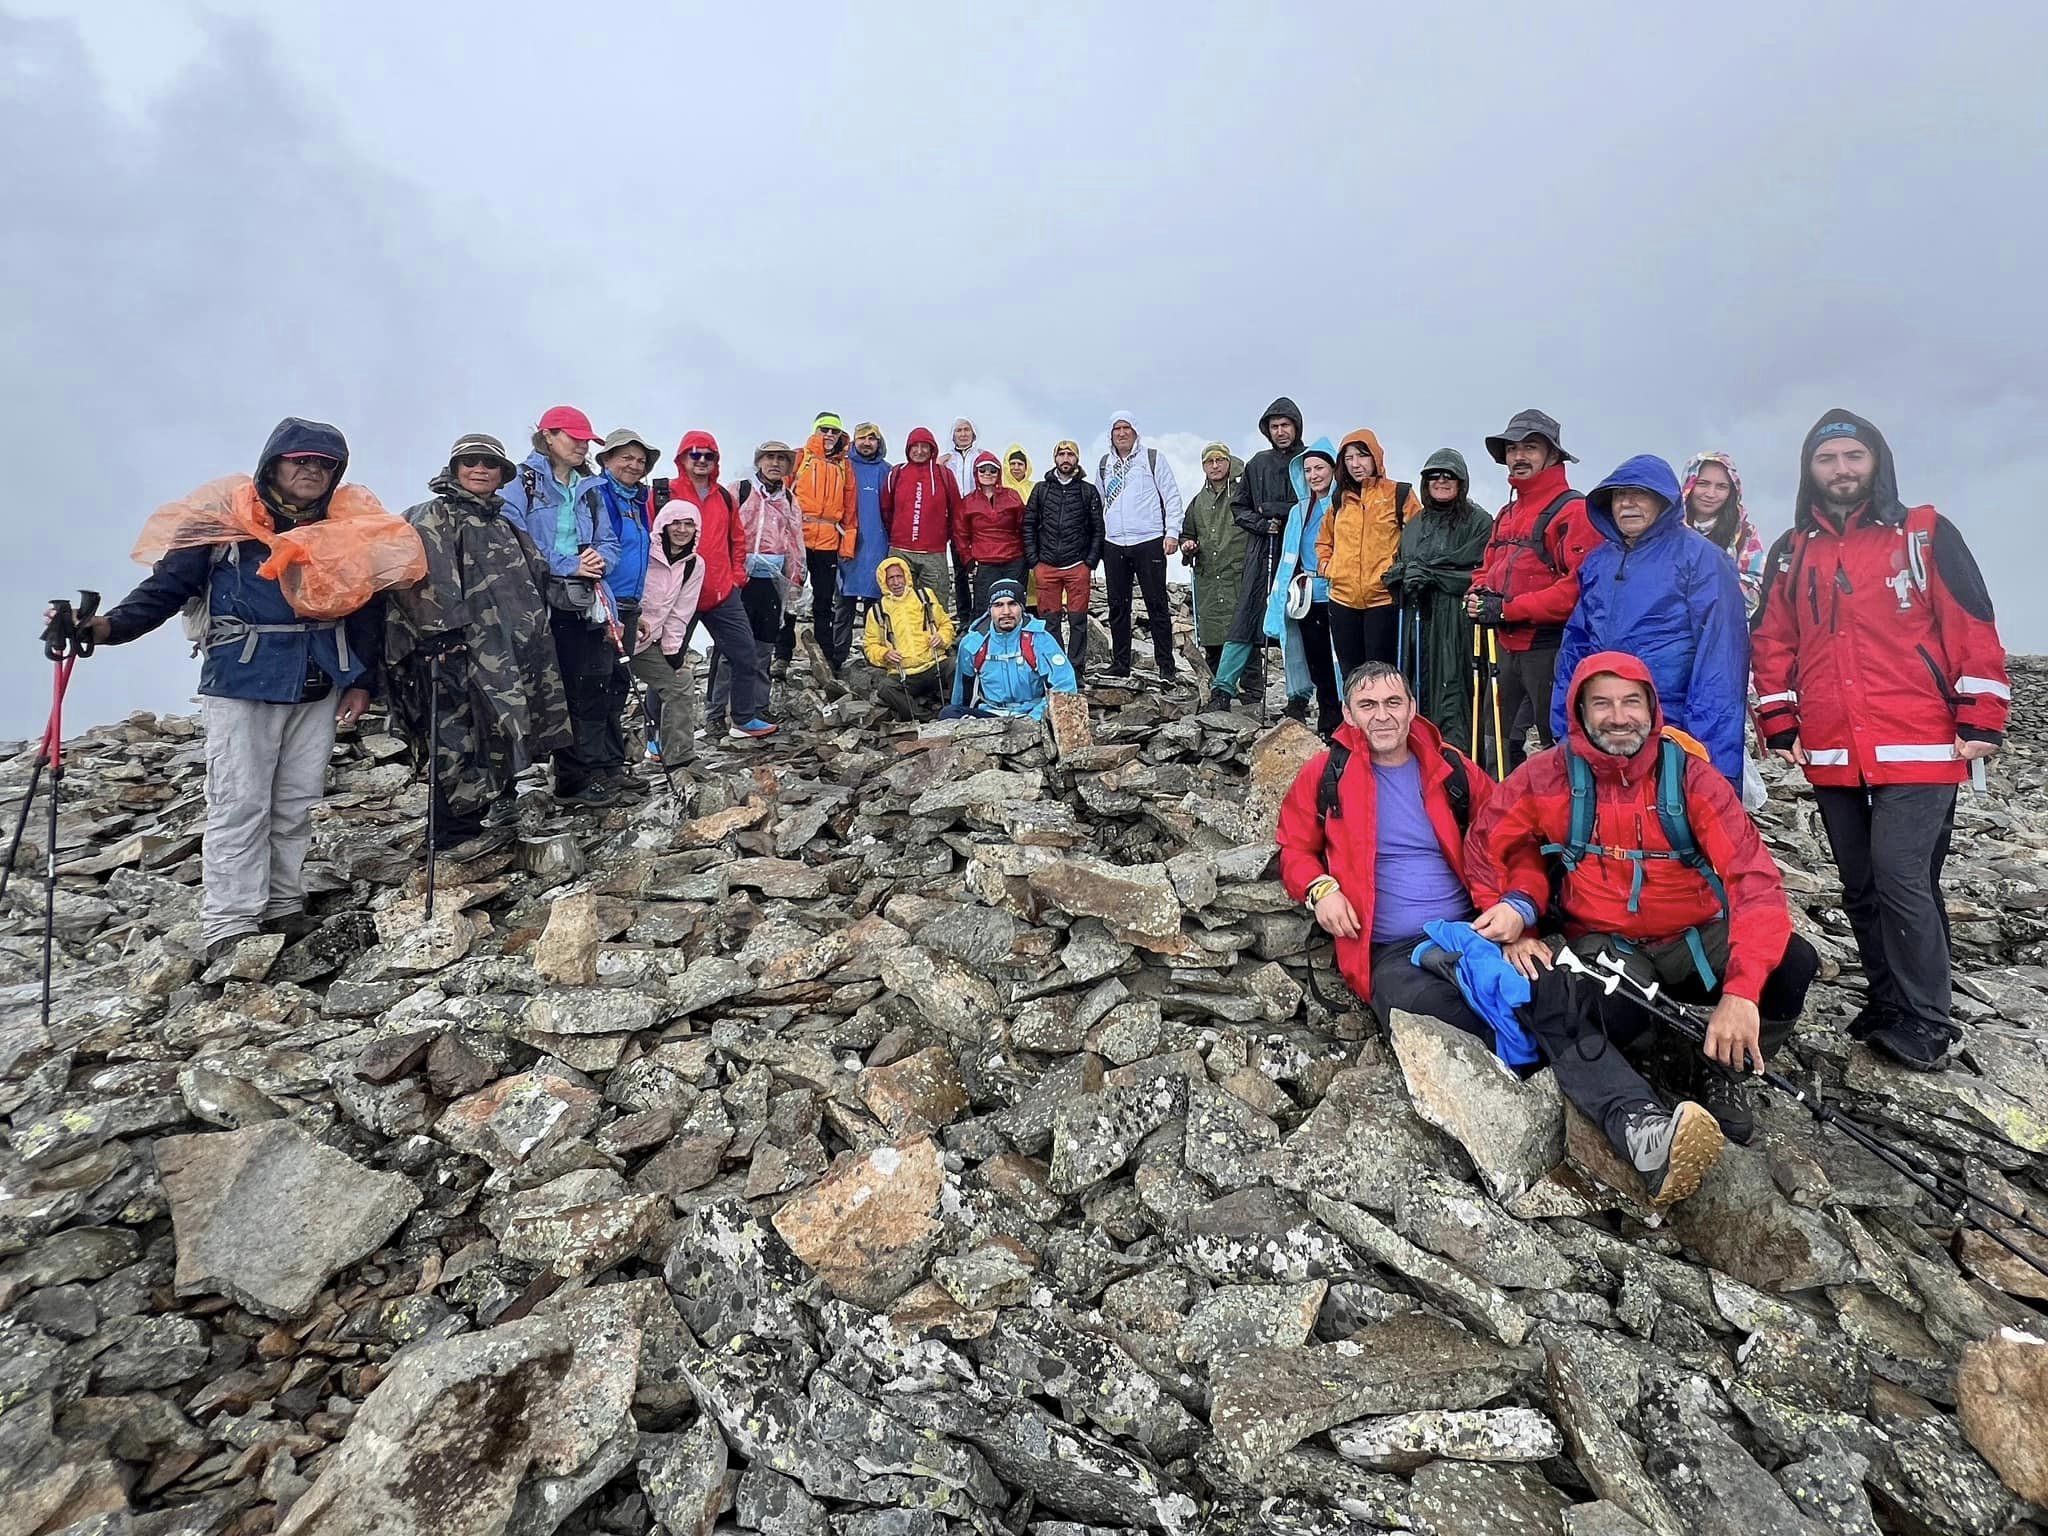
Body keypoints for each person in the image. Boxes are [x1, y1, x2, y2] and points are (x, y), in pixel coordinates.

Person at [1466, 653, 1820, 1203]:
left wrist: (1743, 992)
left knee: (1792, 964)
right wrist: (1517, 918)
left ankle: (1720, 1066)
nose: (1618, 717)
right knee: (1581, 1007)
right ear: (1578, 711)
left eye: (1632, 702)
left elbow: (1755, 884)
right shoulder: (1546, 775)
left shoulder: (1693, 780)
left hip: (1694, 940)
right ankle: (1657, 1085)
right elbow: (1489, 842)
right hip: (1608, 945)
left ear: (1652, 709)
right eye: (1601, 703)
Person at [81, 418, 419, 962]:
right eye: (300, 459)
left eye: (324, 463)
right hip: (242, 678)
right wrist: (108, 628)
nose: (311, 469)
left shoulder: (343, 530)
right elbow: (166, 589)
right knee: (240, 802)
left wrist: (361, 682)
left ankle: (283, 903)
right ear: (273, 464)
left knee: (296, 802)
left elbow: (364, 609)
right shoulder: (223, 524)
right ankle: (229, 923)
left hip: (318, 677)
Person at [1752, 410, 2009, 1071]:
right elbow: (1774, 638)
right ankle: (1888, 999)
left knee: (1901, 878)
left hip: (1921, 746)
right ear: (1809, 471)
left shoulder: (1923, 533)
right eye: (1827, 458)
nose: (1842, 469)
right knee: (1861, 886)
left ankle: (1928, 1021)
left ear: (1876, 462)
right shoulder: (1793, 549)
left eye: (1854, 457)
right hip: (1837, 751)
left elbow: (1971, 621)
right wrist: (1779, 719)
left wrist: (1982, 716)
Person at [1275, 660, 1497, 1041]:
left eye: (1393, 703)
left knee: (1538, 993)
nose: (1382, 716)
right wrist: (1319, 889)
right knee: (1432, 1011)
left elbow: (1506, 838)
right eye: (1367, 705)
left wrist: (1518, 912)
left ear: (1412, 707)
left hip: (1472, 929)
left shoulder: (1451, 768)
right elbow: (1294, 847)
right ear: (1348, 714)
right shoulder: (1326, 772)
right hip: (1390, 949)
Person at [386, 433, 570, 851]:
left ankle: (495, 805)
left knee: (501, 725)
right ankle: (452, 831)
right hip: (453, 649)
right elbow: (420, 581)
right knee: (456, 734)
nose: (480, 469)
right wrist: (439, 637)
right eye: (470, 462)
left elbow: (535, 579)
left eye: (489, 464)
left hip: (510, 649)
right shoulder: (433, 516)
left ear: (502, 475)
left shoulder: (505, 524)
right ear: (454, 469)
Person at [1553, 456, 1748, 785]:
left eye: (1639, 493)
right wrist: (1565, 727)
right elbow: (1575, 648)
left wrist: (1707, 756)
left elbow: (1722, 660)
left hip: (1672, 727)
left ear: (1664, 502)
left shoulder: (1702, 559)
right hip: (1602, 725)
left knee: (1669, 826)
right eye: (1618, 495)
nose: (1627, 503)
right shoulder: (1598, 562)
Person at [497, 406, 620, 805]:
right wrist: (569, 563)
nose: (582, 445)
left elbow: (609, 541)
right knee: (545, 691)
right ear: (547, 436)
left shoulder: (591, 488)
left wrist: (601, 560)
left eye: (586, 439)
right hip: (539, 602)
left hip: (583, 602)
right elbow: (514, 538)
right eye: (573, 437)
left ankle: (576, 777)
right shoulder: (522, 482)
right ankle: (522, 782)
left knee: (586, 688)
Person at [1465, 409, 1597, 770]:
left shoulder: (1575, 511)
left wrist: (1507, 609)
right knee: (1496, 746)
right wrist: (1478, 593)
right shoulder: (1506, 513)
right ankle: (1503, 815)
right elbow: (1487, 568)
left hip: (1552, 648)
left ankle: (1567, 818)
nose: (1518, 457)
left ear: (1553, 455)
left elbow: (1577, 588)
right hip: (1503, 646)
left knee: (1562, 744)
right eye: (1512, 449)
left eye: (1530, 448)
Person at [661, 431, 776, 740]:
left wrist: (736, 577)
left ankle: (743, 719)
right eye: (694, 455)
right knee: (666, 665)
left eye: (708, 456)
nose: (701, 461)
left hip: (721, 593)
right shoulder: (665, 493)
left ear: (716, 461)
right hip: (677, 596)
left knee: (745, 654)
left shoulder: (724, 497)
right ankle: (657, 737)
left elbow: (737, 539)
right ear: (682, 458)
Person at [574, 428, 666, 798]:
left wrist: (637, 608)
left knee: (615, 686)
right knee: (594, 688)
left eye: (640, 460)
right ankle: (588, 770)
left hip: (626, 605)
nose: (634, 465)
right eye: (625, 457)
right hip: (598, 603)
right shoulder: (595, 495)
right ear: (606, 460)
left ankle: (612, 765)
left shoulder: (637, 500)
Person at [1383, 448, 1491, 756]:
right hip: (1420, 620)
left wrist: (1434, 575)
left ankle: (1459, 762)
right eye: (1434, 476)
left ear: (1461, 481)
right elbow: (1400, 564)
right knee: (1420, 686)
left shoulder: (1479, 522)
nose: (1441, 481)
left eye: (1448, 476)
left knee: (1455, 693)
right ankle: (1420, 753)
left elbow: (1482, 572)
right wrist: (1405, 578)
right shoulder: (1416, 524)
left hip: (1457, 624)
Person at [1209, 397, 1306, 712]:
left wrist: (1282, 512)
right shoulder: (1257, 464)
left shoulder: (1309, 461)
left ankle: (1298, 697)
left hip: (1299, 554)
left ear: (1296, 426)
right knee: (1246, 618)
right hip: (1261, 551)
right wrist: (1263, 523)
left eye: (1285, 425)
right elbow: (1240, 507)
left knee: (1295, 622)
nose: (1280, 431)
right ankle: (1222, 689)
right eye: (1274, 426)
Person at [709, 442, 806, 731]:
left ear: (788, 467)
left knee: (763, 647)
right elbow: (719, 531)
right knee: (729, 649)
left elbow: (795, 541)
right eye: (769, 458)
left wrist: (796, 579)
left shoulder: (789, 499)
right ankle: (715, 714)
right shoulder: (738, 490)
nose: (775, 463)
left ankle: (757, 709)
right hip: (737, 580)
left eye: (781, 459)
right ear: (759, 462)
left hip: (771, 582)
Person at [1317, 428, 1423, 683]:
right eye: (1349, 458)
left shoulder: (1399, 494)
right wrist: (1329, 568)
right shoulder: (1339, 499)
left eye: (1362, 456)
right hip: (1342, 599)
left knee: (1381, 673)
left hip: (1383, 599)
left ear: (1376, 457)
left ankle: (1382, 721)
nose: (1356, 464)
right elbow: (1324, 541)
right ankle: (1355, 722)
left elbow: (1421, 537)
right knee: (1351, 674)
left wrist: (1400, 573)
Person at [1097, 411, 1185, 683]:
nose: (1121, 433)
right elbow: (1100, 502)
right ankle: (1121, 663)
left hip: (1149, 540)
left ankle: (1166, 666)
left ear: (1135, 431)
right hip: (1114, 543)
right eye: (1116, 429)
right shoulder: (1105, 464)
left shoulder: (1152, 458)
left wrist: (1172, 533)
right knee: (1117, 606)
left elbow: (1171, 497)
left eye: (1126, 428)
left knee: (1156, 604)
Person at [1265, 436, 1342, 733]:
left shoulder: (1342, 507)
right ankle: (1326, 716)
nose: (1313, 476)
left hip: (1337, 591)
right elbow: (1289, 555)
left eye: (1319, 468)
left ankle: (1343, 714)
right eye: (1308, 470)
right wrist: (1279, 595)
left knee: (1337, 657)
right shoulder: (1299, 511)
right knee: (1315, 657)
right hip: (1307, 594)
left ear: (1333, 470)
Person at [1022, 439, 1105, 682]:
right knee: (1050, 622)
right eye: (1061, 454)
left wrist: (1089, 562)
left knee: (1078, 621)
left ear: (1077, 459)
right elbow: (1028, 525)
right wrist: (1033, 561)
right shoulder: (1041, 489)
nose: (1066, 459)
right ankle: (1057, 669)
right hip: (1046, 566)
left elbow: (1097, 529)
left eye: (1070, 454)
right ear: (1055, 458)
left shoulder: (1087, 491)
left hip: (1077, 566)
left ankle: (1077, 669)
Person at [944, 578, 1078, 721]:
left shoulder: (1040, 639)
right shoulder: (972, 643)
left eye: (1013, 604)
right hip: (991, 714)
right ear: (990, 609)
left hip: (1033, 713)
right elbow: (963, 692)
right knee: (948, 714)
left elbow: (1065, 684)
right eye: (998, 605)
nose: (1006, 611)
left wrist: (1034, 718)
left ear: (1022, 607)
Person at [634, 494, 703, 771]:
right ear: (663, 524)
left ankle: (679, 757)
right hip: (615, 633)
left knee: (679, 682)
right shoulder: (642, 551)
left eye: (689, 524)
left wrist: (673, 651)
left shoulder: (693, 565)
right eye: (676, 523)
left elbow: (680, 612)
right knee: (601, 699)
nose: (682, 530)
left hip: (647, 643)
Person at [791, 411, 859, 675]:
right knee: (790, 598)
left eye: (834, 431)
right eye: (824, 430)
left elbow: (850, 508)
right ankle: (783, 654)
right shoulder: (800, 457)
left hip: (829, 540)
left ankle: (826, 657)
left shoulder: (844, 466)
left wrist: (848, 545)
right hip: (798, 538)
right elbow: (784, 496)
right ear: (816, 431)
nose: (829, 435)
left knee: (824, 601)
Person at [863, 556, 957, 721]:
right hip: (904, 674)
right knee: (885, 688)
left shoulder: (925, 597)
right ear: (883, 581)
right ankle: (925, 718)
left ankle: (957, 709)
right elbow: (870, 646)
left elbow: (946, 624)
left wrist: (942, 638)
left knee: (957, 665)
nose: (896, 582)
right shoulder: (877, 611)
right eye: (891, 578)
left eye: (899, 576)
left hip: (934, 664)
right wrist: (885, 654)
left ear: (906, 576)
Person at [1179, 443, 1246, 673]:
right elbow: (1187, 534)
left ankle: (1252, 692)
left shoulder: (1243, 492)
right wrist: (1187, 545)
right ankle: (1217, 689)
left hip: (1239, 576)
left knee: (1246, 635)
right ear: (1203, 466)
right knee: (1213, 636)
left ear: (1229, 462)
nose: (1215, 466)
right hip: (1209, 579)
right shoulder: (1197, 502)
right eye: (1210, 462)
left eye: (1220, 460)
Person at [885, 426, 963, 616]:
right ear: (908, 448)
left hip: (933, 553)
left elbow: (957, 511)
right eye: (915, 446)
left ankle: (936, 643)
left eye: (924, 446)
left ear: (932, 449)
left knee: (935, 606)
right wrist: (897, 534)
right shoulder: (897, 473)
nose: (919, 451)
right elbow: (886, 510)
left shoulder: (943, 475)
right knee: (899, 605)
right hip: (901, 551)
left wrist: (945, 537)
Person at [1680, 452, 1766, 617]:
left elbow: (1754, 593)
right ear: (1689, 484)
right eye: (1703, 483)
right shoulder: (1667, 529)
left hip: (1722, 626)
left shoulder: (1745, 534)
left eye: (1721, 486)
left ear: (1732, 491)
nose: (1710, 494)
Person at [840, 423, 893, 663]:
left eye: (872, 439)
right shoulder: (843, 466)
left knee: (877, 606)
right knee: (844, 604)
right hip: (847, 545)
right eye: (862, 438)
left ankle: (878, 656)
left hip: (877, 545)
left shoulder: (888, 471)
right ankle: (837, 657)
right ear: (854, 441)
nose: (867, 443)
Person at [958, 450, 1028, 613]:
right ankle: (985, 639)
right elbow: (961, 534)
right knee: (985, 608)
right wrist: (968, 561)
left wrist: (1026, 557)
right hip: (984, 564)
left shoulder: (1012, 496)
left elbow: (1024, 526)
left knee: (1014, 607)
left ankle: (1018, 639)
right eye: (983, 470)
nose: (987, 474)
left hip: (1014, 561)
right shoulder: (968, 502)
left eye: (992, 470)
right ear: (976, 473)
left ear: (999, 473)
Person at [941, 418, 981, 615]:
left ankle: (981, 611)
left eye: (967, 430)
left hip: (978, 518)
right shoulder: (945, 460)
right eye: (959, 430)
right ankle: (964, 614)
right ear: (953, 435)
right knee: (960, 568)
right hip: (955, 518)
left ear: (973, 434)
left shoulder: (981, 457)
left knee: (980, 566)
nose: (963, 434)